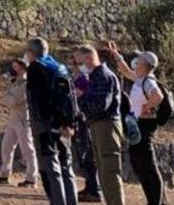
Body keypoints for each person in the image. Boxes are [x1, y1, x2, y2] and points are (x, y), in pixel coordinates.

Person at [107, 41, 167, 205]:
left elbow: (158, 96)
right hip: (137, 124)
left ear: (144, 65)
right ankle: (153, 200)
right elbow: (125, 71)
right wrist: (116, 55)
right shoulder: (140, 78)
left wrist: (147, 107)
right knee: (139, 163)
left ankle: (157, 201)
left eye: (139, 61)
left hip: (145, 125)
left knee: (148, 164)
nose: (136, 62)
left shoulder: (148, 81)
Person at [24, 37, 78, 205]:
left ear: (31, 52)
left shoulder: (35, 68)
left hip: (46, 125)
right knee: (66, 166)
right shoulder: (60, 67)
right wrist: (69, 123)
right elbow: (72, 97)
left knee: (51, 169)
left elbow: (37, 98)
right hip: (64, 124)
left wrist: (41, 122)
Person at [74, 44, 125, 205]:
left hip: (107, 125)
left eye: (79, 61)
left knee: (109, 170)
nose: (78, 66)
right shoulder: (96, 76)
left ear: (89, 58)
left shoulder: (103, 76)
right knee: (103, 171)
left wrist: (81, 97)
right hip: (98, 125)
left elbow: (99, 106)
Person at [0, 58, 38, 188]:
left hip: (23, 120)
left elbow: (13, 101)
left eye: (15, 67)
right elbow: (5, 98)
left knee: (27, 149)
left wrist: (8, 99)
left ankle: (31, 178)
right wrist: (8, 99)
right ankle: (4, 174)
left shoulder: (27, 84)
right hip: (12, 119)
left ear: (23, 68)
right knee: (6, 146)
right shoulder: (15, 83)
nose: (12, 69)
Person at [71, 67, 102, 202]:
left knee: (88, 156)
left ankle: (94, 190)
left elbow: (74, 96)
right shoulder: (77, 78)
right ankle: (90, 186)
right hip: (81, 120)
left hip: (84, 121)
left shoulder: (84, 80)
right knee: (84, 157)